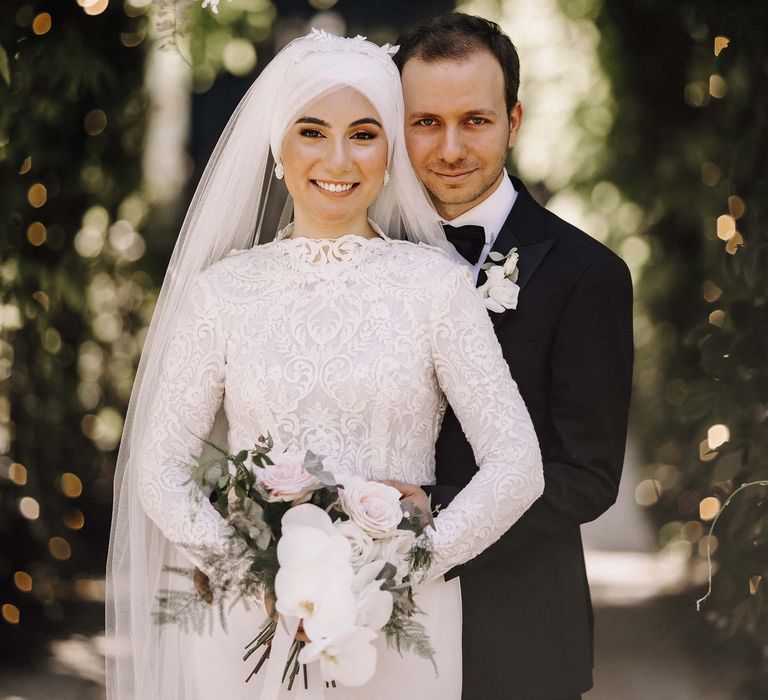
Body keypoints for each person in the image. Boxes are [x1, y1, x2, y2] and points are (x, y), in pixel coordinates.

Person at [105, 30, 544, 699]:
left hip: (398, 624)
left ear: (389, 149)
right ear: (278, 148)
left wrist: (405, 564)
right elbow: (159, 467)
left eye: (364, 133)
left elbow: (517, 464)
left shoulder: (436, 287)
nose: (338, 158)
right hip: (251, 627)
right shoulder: (224, 291)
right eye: (312, 132)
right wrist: (249, 570)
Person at [389, 13, 634, 700]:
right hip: (370, 633)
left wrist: (434, 518)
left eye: (475, 120)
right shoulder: (365, 256)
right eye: (425, 121)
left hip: (518, 634)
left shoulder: (588, 275)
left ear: (513, 120)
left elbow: (587, 477)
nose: (450, 147)